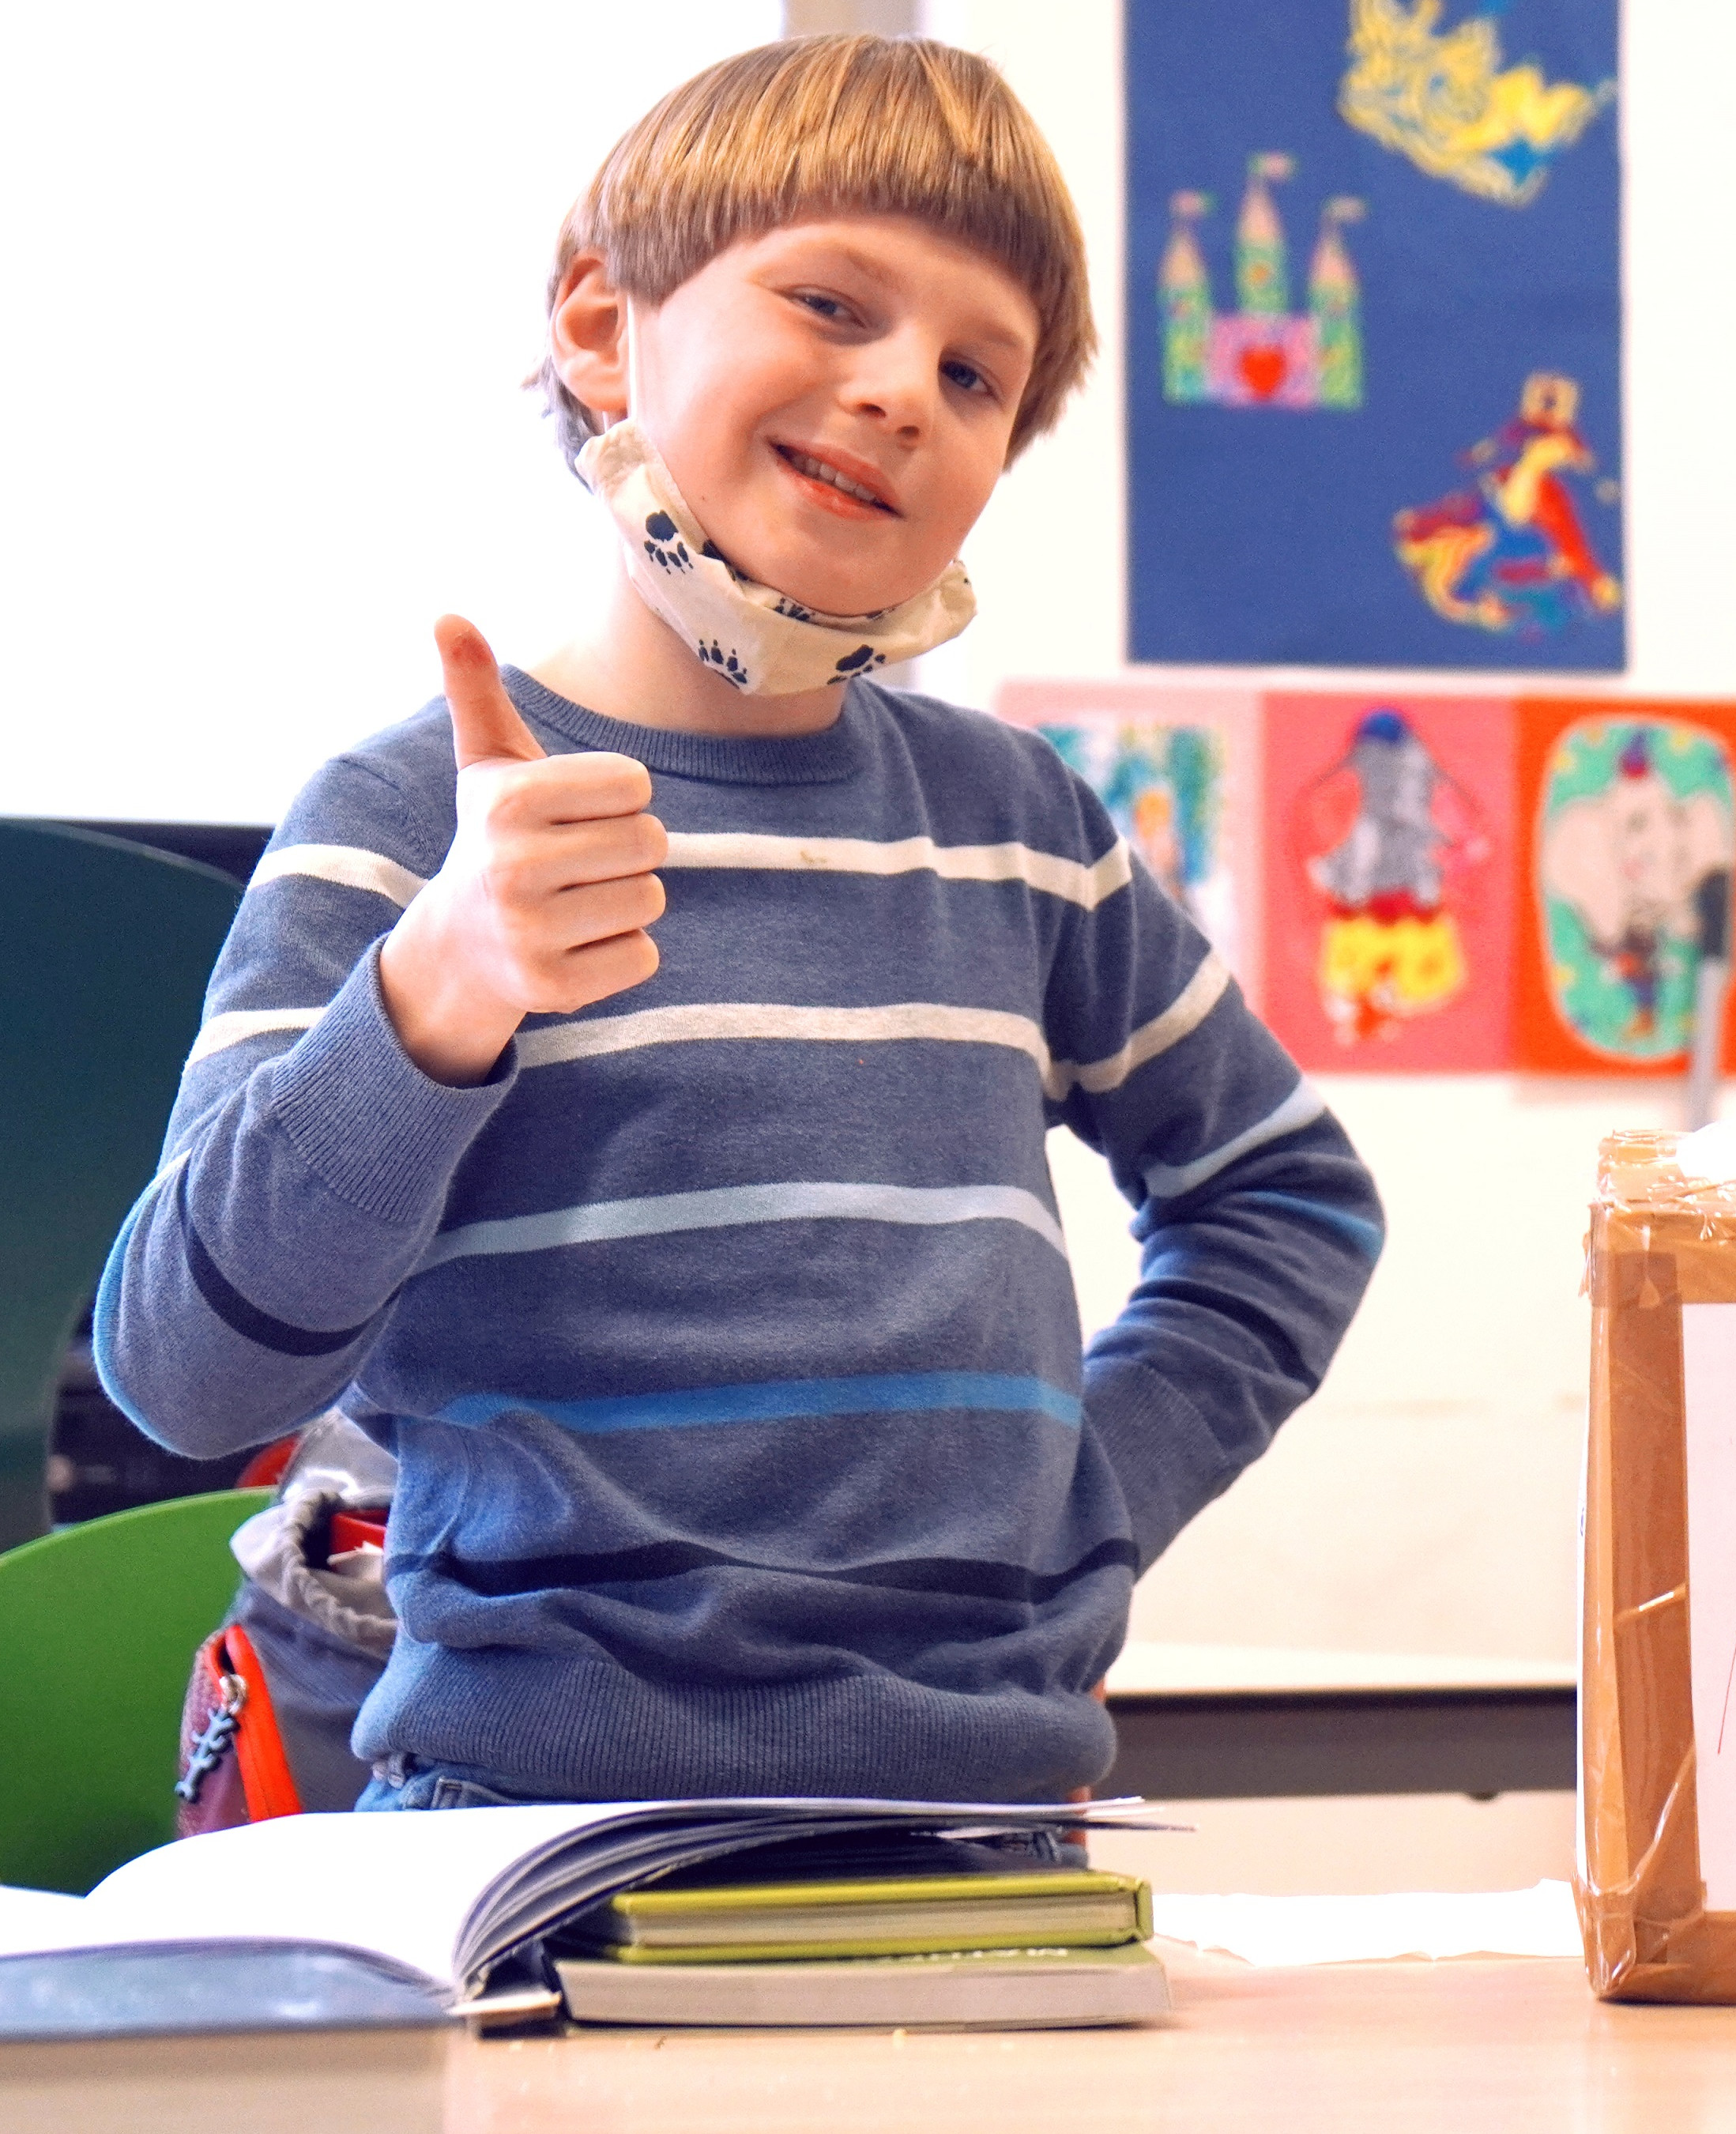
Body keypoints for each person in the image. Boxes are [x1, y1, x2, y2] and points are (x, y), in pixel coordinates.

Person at [95, 36, 1382, 1813]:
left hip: (980, 1837)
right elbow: (179, 1368)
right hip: (529, 1848)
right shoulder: (411, 827)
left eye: (975, 373)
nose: (903, 393)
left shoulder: (1021, 827)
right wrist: (433, 997)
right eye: (832, 304)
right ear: (603, 326)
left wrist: (1086, 1499)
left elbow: (1288, 1197)